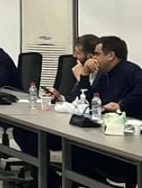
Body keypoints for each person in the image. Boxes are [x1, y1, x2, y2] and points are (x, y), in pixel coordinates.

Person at [17, 36, 142, 187]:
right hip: (97, 129)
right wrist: (84, 75)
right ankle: (53, 180)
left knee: (76, 149)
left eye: (97, 54)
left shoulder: (131, 71)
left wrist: (121, 105)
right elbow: (86, 99)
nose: (94, 58)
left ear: (110, 55)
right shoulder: (103, 74)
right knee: (26, 132)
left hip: (120, 136)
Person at [45, 34, 99, 102]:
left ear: (90, 56)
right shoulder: (79, 68)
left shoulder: (102, 75)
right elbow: (74, 97)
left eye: (78, 53)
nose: (74, 56)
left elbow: (88, 101)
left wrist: (81, 78)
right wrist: (60, 98)